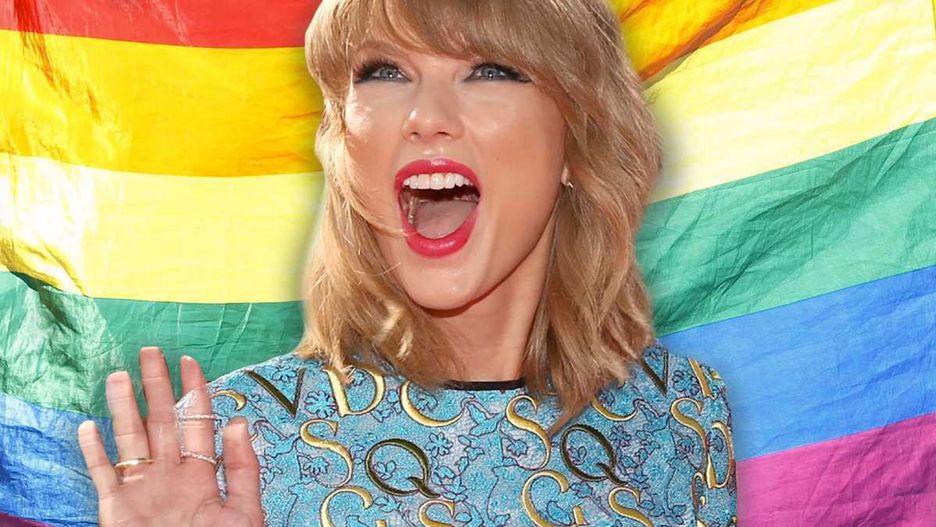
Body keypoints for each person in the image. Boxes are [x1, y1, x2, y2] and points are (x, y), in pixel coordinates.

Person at [77, 0, 738, 525]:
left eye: (490, 70)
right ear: (343, 144)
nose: (426, 117)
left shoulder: (679, 411)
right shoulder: (225, 442)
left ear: (578, 139)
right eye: (385, 72)